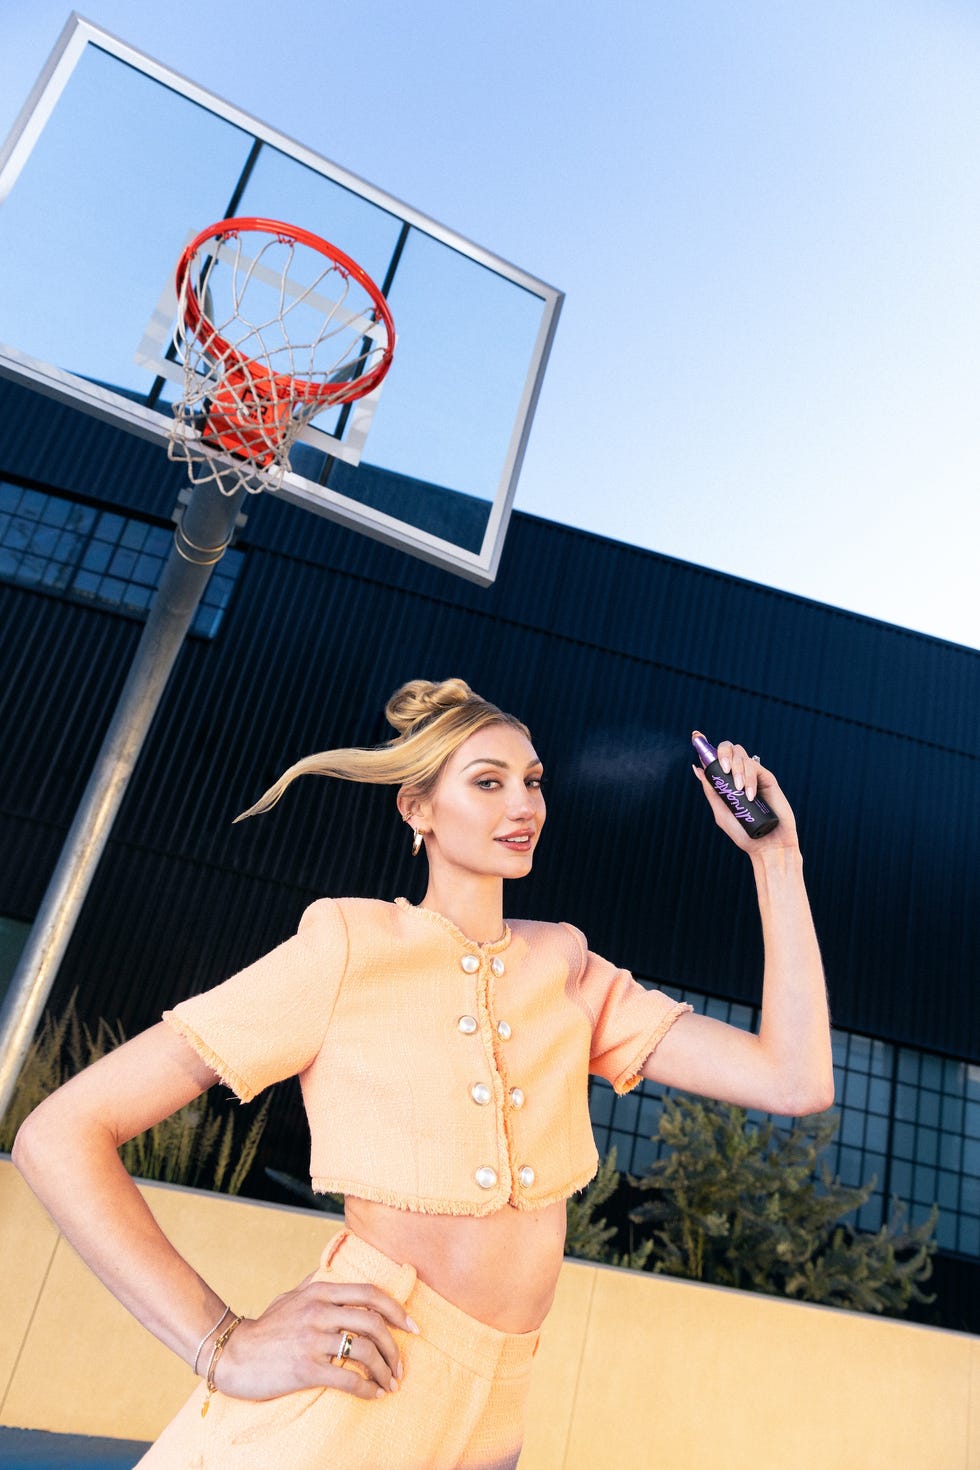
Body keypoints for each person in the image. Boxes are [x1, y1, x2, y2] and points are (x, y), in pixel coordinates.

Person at [13, 678, 834, 1470]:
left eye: (534, 782)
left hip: (493, 1421)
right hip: (343, 1400)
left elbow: (794, 1081)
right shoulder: (346, 946)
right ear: (418, 809)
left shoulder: (570, 969)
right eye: (489, 782)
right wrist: (221, 1342)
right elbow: (61, 1134)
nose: (524, 805)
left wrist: (777, 860)